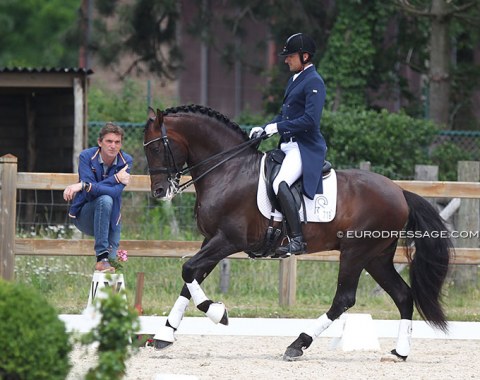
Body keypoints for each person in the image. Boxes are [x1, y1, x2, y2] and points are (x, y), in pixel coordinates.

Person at [250, 32, 327, 256]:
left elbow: (310, 121)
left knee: (280, 182)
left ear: (305, 56)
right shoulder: (295, 79)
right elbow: (285, 116)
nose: (286, 60)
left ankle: (297, 240)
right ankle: (271, 231)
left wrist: (278, 128)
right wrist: (265, 128)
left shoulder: (314, 81)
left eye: (290, 56)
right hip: (287, 146)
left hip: (305, 148)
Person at [63, 122, 133, 273]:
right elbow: (89, 193)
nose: (113, 146)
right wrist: (115, 178)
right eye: (109, 141)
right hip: (85, 215)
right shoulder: (86, 156)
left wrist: (83, 185)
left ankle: (107, 291)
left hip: (111, 219)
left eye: (117, 142)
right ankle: (101, 256)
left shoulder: (126, 161)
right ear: (100, 142)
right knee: (105, 199)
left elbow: (115, 192)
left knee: (113, 267)